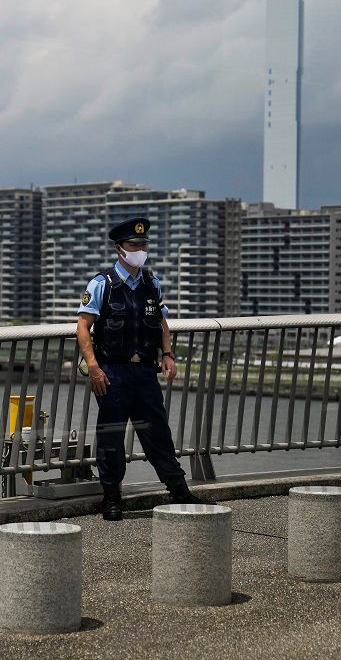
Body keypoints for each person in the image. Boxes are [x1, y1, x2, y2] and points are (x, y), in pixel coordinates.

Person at [76, 217, 207, 521]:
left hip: (145, 373)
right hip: (112, 373)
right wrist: (94, 368)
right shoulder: (102, 284)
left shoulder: (151, 282)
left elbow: (161, 323)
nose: (140, 250)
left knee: (158, 434)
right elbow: (83, 328)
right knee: (111, 438)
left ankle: (178, 491)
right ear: (119, 248)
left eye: (143, 245)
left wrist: (168, 354)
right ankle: (111, 499)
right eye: (135, 245)